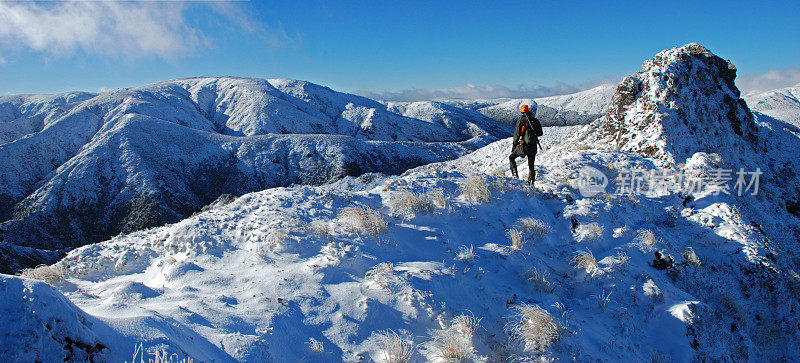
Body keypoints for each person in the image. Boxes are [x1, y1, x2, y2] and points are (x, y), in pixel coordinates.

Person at [509, 104, 543, 185]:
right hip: (533, 146)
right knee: (531, 165)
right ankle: (530, 182)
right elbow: (540, 133)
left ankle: (515, 176)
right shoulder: (535, 120)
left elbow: (516, 136)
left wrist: (513, 149)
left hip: (524, 146)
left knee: (511, 158)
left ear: (521, 112)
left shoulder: (521, 121)